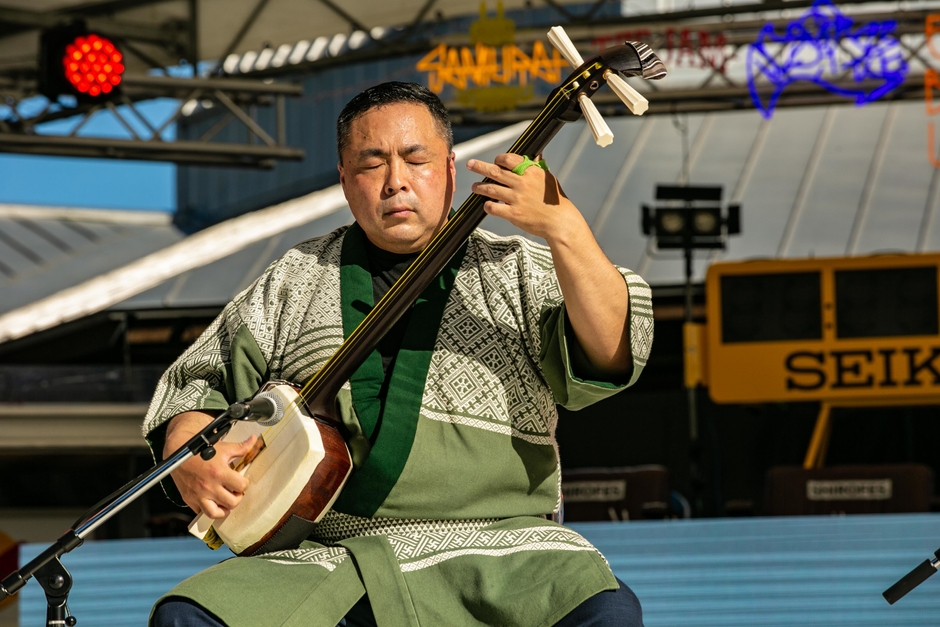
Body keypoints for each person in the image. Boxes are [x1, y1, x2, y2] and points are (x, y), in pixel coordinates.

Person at [145, 81, 654, 627]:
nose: (396, 182)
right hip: (331, 561)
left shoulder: (516, 270)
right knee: (189, 617)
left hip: (504, 551)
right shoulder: (296, 278)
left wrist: (565, 228)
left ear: (452, 170)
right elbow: (197, 383)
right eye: (371, 164)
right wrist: (190, 453)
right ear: (344, 179)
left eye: (417, 159)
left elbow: (609, 351)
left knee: (605, 611)